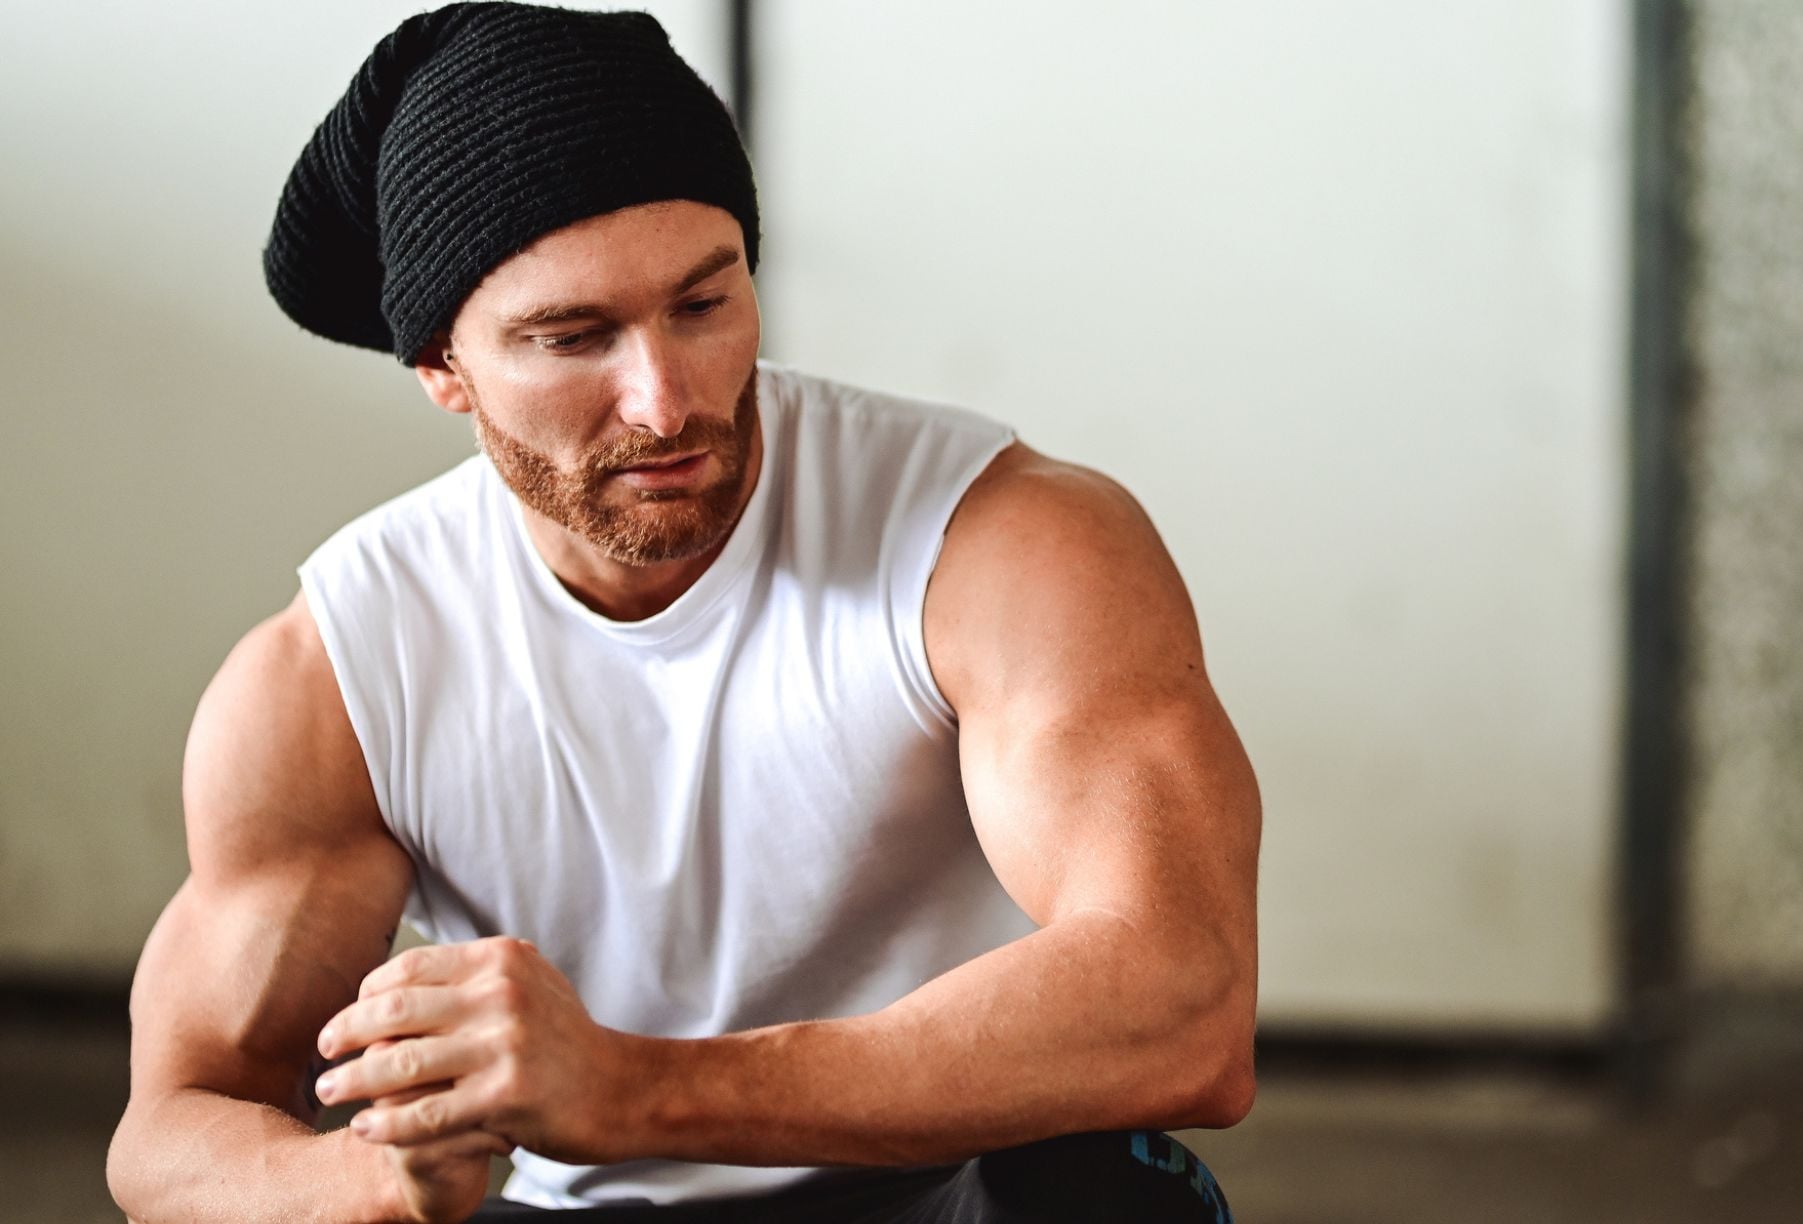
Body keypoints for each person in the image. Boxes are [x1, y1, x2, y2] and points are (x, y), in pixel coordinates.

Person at [103, 5, 1259, 1222]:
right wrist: (366, 1176)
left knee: (1113, 1196)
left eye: (702, 307)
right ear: (444, 366)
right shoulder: (343, 667)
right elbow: (170, 1134)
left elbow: (1185, 1005)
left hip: (944, 1185)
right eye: (572, 338)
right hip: (577, 1211)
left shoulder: (996, 543)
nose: (664, 403)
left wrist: (640, 1090)